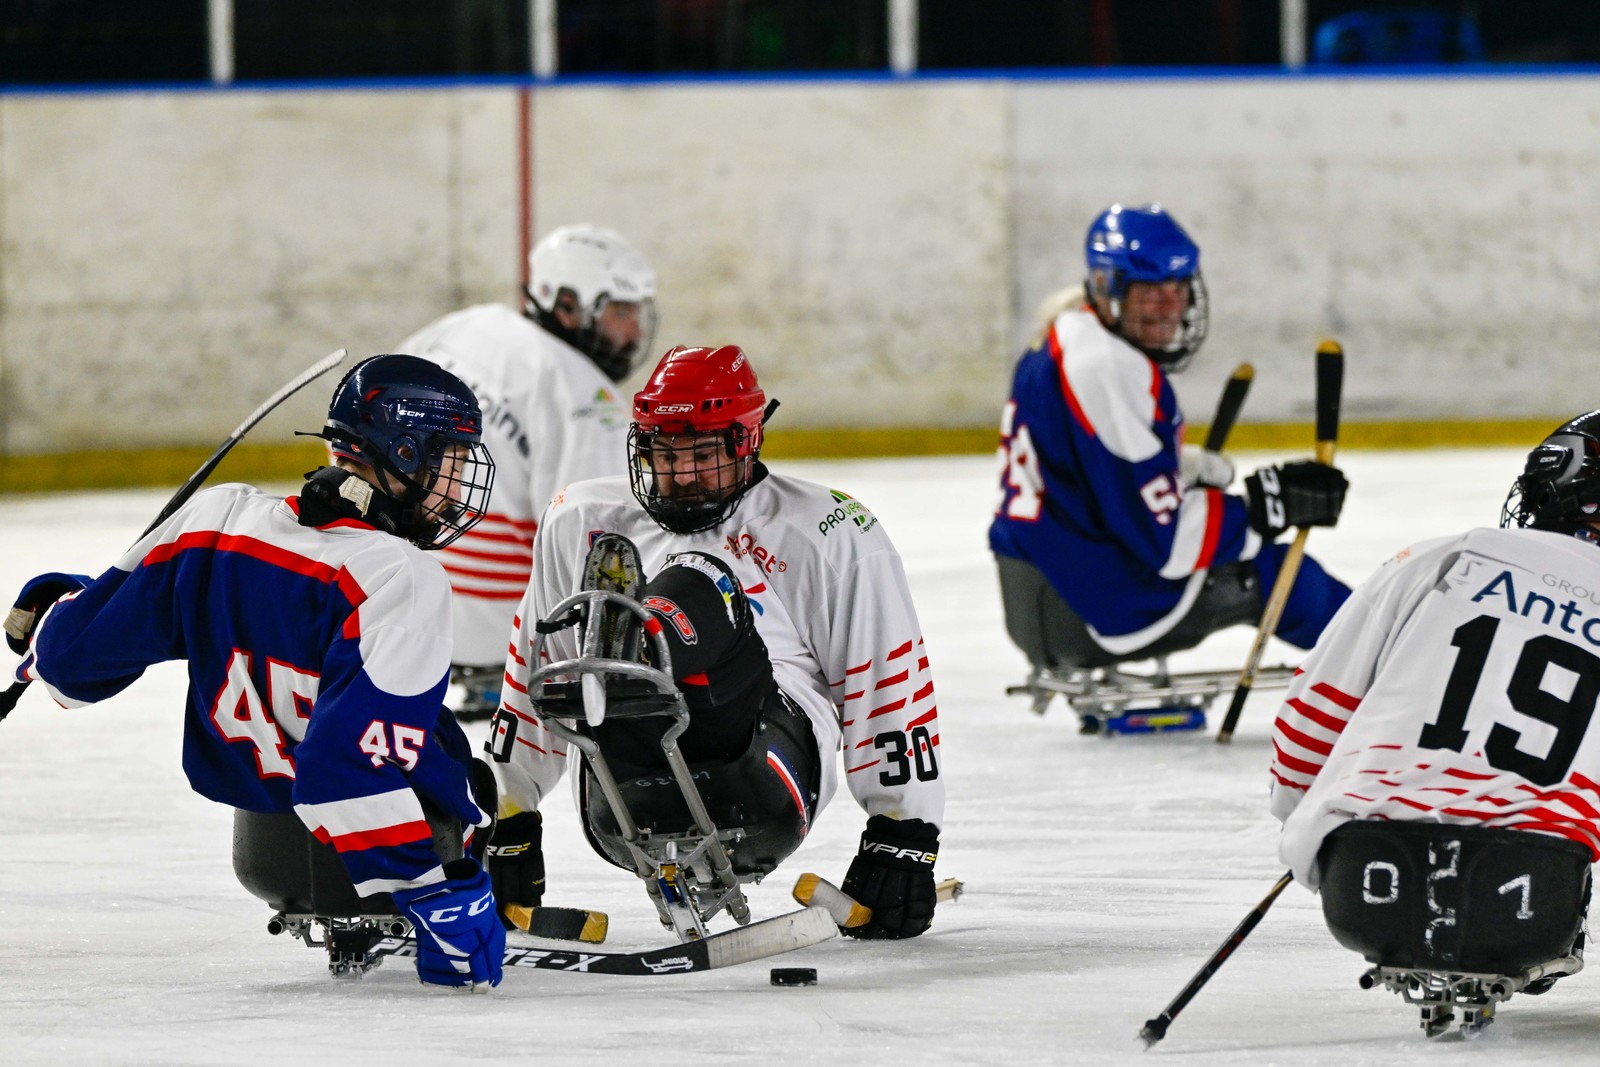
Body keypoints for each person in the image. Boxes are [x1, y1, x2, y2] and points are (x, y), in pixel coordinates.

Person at [4, 354, 506, 990]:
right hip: (382, 857)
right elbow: (340, 772)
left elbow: (70, 666)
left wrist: (74, 603)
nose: (455, 489)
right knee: (464, 764)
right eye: (448, 464)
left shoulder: (217, 523)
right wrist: (433, 896)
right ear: (403, 454)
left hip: (267, 853)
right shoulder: (400, 577)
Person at [486, 344, 946, 940]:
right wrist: (508, 818)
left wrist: (903, 835)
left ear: (746, 442)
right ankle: (628, 660)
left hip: (763, 771)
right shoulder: (581, 517)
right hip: (620, 798)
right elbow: (535, 670)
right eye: (661, 453)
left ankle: (643, 641)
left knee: (702, 580)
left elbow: (886, 683)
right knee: (581, 662)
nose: (679, 475)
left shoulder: (827, 531)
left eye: (702, 453)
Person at [1270, 413, 1600, 1002]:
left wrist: (1308, 821)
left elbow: (1308, 724)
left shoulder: (1432, 561)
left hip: (1362, 890)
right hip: (1531, 904)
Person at [989, 203, 1352, 689]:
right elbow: (1167, 545)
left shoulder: (1065, 335)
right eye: (1150, 291)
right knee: (1285, 575)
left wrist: (1179, 468)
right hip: (1097, 607)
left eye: (1178, 289)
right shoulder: (1106, 367)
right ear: (1106, 287)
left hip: (1042, 593)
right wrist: (1265, 510)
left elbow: (1085, 473)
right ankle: (1405, 666)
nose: (1170, 306)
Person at [398, 223, 658, 721]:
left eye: (639, 313)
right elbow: (597, 545)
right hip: (495, 638)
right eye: (621, 312)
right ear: (566, 304)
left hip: (392, 603)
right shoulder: (586, 396)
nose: (635, 333)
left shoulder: (464, 325)